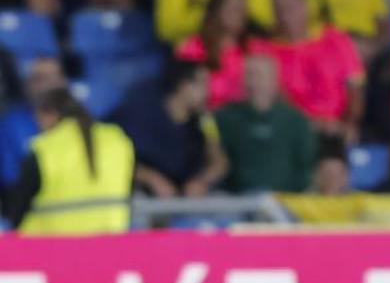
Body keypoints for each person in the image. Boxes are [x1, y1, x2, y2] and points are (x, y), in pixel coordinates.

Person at [5, 88, 134, 234]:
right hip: (111, 242)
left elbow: (19, 206)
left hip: (51, 246)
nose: (39, 125)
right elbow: (129, 187)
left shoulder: (45, 149)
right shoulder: (118, 140)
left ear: (51, 114)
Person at [259, 0, 365, 142]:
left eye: (291, 8)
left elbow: (355, 89)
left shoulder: (335, 39)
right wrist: (309, 124)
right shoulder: (267, 50)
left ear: (304, 6)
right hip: (293, 131)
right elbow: (278, 98)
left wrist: (349, 124)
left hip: (337, 127)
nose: (285, 16)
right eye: (279, 10)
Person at [112, 59, 229, 198]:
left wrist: (202, 181)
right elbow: (118, 160)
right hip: (146, 197)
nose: (208, 92)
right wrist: (152, 179)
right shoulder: (143, 116)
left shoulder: (202, 121)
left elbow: (220, 163)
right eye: (202, 85)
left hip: (185, 200)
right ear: (183, 85)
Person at [215, 54, 317, 193]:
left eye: (260, 75)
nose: (254, 82)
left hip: (284, 202)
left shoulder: (295, 120)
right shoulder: (225, 117)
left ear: (274, 80)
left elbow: (305, 165)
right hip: (236, 201)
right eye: (249, 75)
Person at [176, 0, 255, 110]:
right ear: (216, 11)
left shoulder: (255, 48)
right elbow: (182, 92)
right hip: (204, 116)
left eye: (243, 9)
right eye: (234, 9)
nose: (241, 14)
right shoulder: (193, 47)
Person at [0, 58, 68, 189]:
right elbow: (10, 178)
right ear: (27, 85)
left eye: (54, 77)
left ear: (63, 82)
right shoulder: (10, 125)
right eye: (40, 78)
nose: (48, 85)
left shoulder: (79, 121)